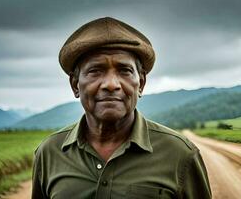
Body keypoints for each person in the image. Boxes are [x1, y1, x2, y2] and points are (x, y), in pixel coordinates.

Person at [32, 17, 211, 199]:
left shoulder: (180, 154)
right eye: (95, 70)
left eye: (124, 70)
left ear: (140, 84)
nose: (111, 84)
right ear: (75, 84)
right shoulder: (49, 152)